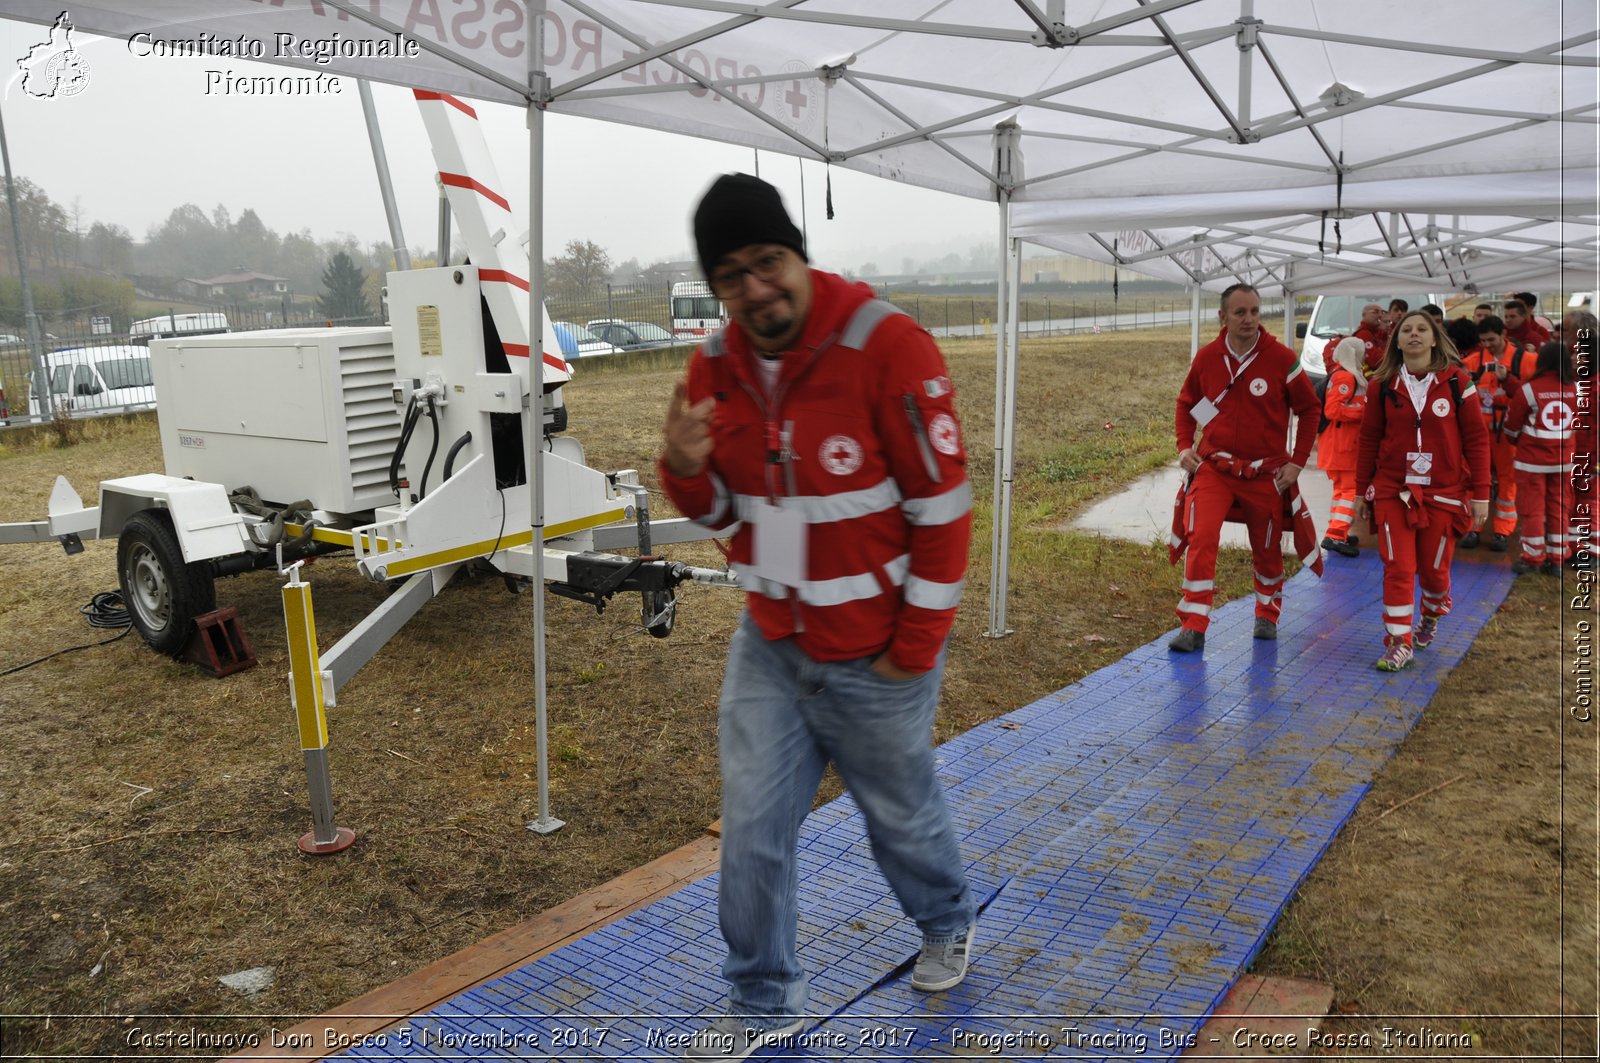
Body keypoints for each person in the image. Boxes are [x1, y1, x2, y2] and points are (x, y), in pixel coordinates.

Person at [659, 173, 976, 1061]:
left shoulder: (888, 346)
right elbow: (726, 516)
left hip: (877, 651)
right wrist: (681, 471)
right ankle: (763, 1001)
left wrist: (911, 654)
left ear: (800, 252)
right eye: (731, 275)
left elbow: (944, 513)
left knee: (900, 818)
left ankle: (947, 917)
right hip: (772, 642)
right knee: (752, 829)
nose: (756, 289)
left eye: (768, 261)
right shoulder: (712, 370)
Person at [1168, 283, 1321, 652]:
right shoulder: (1207, 358)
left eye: (1254, 311)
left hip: (1265, 474)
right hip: (1214, 470)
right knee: (1201, 538)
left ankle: (1267, 614)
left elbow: (1310, 409)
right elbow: (1191, 405)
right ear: (1223, 317)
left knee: (1266, 549)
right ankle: (1194, 624)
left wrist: (1297, 463)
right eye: (1240, 312)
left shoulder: (1282, 359)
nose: (1249, 319)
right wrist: (1185, 446)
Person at [1355, 311, 1490, 672]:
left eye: (1421, 330)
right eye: (1406, 330)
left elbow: (1477, 439)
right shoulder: (1380, 385)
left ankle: (1431, 613)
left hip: (1443, 492)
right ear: (1397, 341)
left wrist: (1481, 492)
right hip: (1392, 489)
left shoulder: (1459, 383)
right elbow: (1368, 440)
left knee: (1433, 570)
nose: (1414, 334)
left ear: (1434, 339)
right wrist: (1360, 490)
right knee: (1398, 565)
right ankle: (1399, 642)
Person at [1462, 314, 1538, 550]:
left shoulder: (1527, 361)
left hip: (1507, 433)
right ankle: (1472, 528)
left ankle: (1502, 531)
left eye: (1491, 340)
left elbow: (1532, 396)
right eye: (1483, 340)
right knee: (1475, 480)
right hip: (1478, 434)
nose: (1487, 345)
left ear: (1504, 335)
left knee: (1507, 482)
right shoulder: (1473, 362)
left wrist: (1509, 380)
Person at [1503, 341, 1579, 574]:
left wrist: (1516, 439)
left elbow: (1512, 427)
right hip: (1564, 462)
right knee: (1559, 507)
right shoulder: (1575, 388)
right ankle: (1557, 558)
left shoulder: (1529, 389)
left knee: (1532, 509)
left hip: (1531, 462)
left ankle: (1533, 558)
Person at [1318, 337, 1368, 557]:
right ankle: (1336, 535)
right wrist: (1363, 411)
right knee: (1350, 491)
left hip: (1336, 443)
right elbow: (1333, 410)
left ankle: (1337, 531)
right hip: (1344, 444)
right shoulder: (1346, 377)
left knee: (1341, 491)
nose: (1364, 356)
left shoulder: (1339, 374)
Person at [1562, 309, 1598, 571]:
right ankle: (1578, 550)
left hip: (1591, 454)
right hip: (1579, 451)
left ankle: (1591, 554)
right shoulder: (1583, 382)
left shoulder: (1594, 385)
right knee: (1578, 501)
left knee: (1590, 501)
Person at [1353, 302, 1389, 374]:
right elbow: (1376, 361)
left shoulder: (1377, 334)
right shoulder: (1363, 334)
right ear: (1364, 315)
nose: (1380, 315)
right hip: (1368, 380)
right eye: (1375, 312)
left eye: (1381, 313)